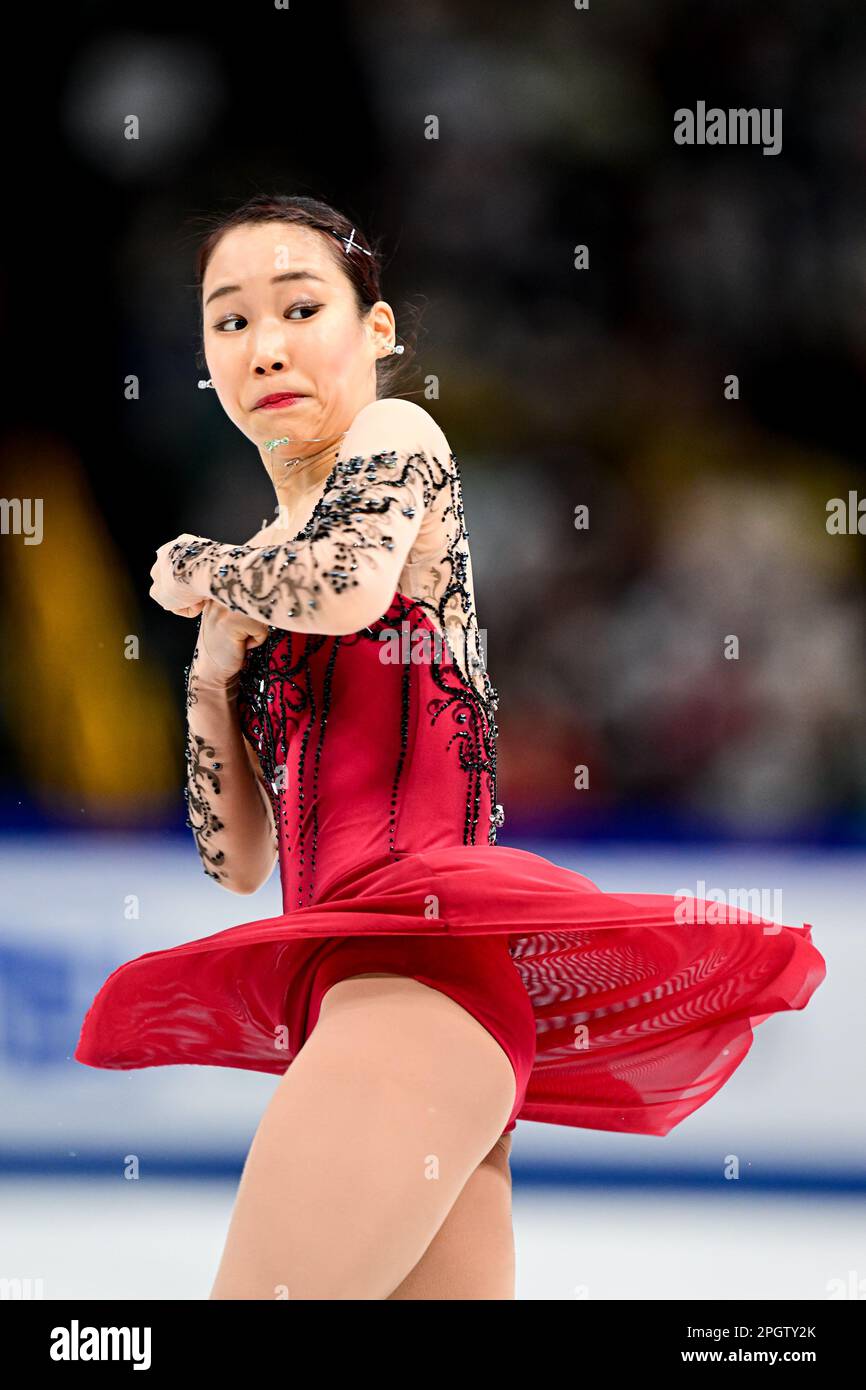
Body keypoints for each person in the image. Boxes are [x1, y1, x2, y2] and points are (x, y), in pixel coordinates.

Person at [75, 195, 826, 1301]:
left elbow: (346, 588)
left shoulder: (392, 439)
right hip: (386, 1001)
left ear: (374, 331)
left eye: (298, 307)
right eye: (228, 321)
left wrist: (200, 563)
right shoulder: (265, 562)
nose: (265, 345)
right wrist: (207, 676)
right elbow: (234, 860)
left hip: (414, 983)